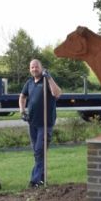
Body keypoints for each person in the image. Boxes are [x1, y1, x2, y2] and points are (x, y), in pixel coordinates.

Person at [19, 59, 62, 188]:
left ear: (41, 68)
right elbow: (22, 97)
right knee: (38, 152)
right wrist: (22, 111)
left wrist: (49, 78)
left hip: (45, 123)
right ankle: (42, 179)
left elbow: (57, 93)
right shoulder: (29, 83)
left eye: (36, 67)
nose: (34, 69)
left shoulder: (46, 81)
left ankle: (35, 180)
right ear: (29, 69)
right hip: (32, 123)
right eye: (32, 67)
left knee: (39, 151)